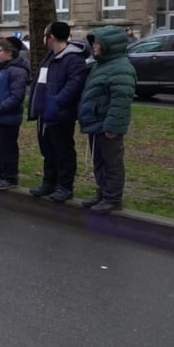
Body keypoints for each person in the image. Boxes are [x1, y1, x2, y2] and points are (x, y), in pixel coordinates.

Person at [77, 25, 136, 213]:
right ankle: (102, 193)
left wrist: (112, 126)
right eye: (93, 42)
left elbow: (120, 101)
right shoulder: (101, 65)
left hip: (106, 125)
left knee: (112, 163)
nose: (94, 46)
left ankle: (112, 198)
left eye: (98, 43)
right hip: (96, 123)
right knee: (100, 162)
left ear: (109, 45)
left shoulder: (121, 68)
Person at [28, 21, 89, 201]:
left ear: (51, 36)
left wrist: (56, 102)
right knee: (48, 151)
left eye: (46, 34)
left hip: (60, 114)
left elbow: (74, 85)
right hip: (44, 114)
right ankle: (49, 183)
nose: (43, 38)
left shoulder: (73, 59)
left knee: (63, 151)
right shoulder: (50, 57)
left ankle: (64, 186)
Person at [0, 36, 30, 190]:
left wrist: (0, 107)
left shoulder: (17, 71)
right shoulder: (1, 68)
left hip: (7, 118)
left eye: (0, 50)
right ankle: (2, 175)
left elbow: (17, 96)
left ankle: (10, 177)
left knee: (7, 149)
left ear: (10, 52)